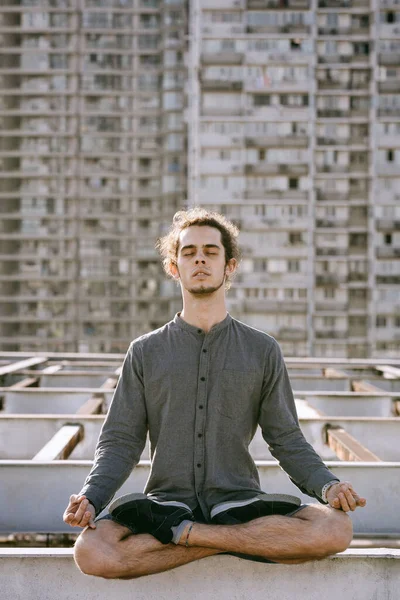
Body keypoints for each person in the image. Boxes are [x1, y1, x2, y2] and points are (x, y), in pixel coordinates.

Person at [63, 208, 366, 579]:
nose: (200, 259)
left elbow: (286, 438)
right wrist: (91, 497)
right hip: (163, 506)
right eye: (189, 253)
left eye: (210, 251)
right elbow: (121, 440)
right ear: (174, 267)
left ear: (230, 266)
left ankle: (189, 537)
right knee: (92, 552)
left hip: (239, 503)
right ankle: (234, 541)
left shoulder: (262, 350)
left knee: (336, 528)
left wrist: (328, 485)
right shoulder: (144, 351)